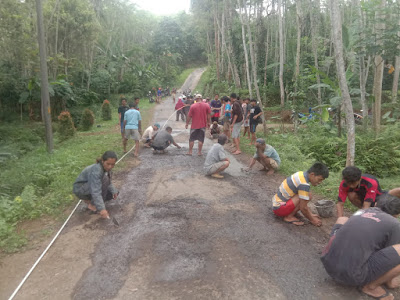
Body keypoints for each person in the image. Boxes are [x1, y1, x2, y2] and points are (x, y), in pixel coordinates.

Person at [321, 194, 400, 300]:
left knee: (342, 219)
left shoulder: (363, 211)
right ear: (397, 214)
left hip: (328, 264)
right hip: (353, 276)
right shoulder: (394, 224)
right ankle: (371, 287)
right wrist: (389, 280)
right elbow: (390, 256)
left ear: (376, 204)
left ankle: (335, 253)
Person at [73, 151, 119, 219]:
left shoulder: (105, 168)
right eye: (108, 164)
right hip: (80, 189)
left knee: (110, 194)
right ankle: (93, 205)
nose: (110, 167)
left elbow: (108, 182)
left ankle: (90, 201)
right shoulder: (96, 171)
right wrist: (102, 209)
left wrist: (114, 191)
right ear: (103, 161)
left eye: (113, 164)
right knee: (104, 180)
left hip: (88, 187)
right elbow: (96, 191)